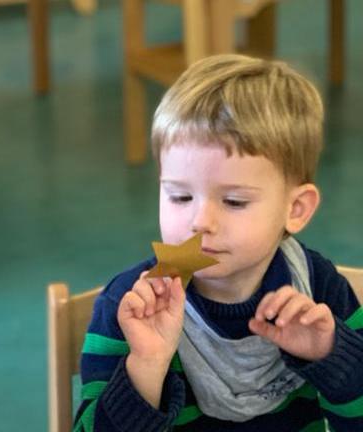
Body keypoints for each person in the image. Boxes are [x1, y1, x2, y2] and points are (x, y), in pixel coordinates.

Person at [74, 54, 363, 431]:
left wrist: (332, 355)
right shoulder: (130, 307)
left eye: (233, 201)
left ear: (295, 208)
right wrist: (146, 366)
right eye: (179, 196)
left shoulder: (320, 290)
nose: (199, 222)